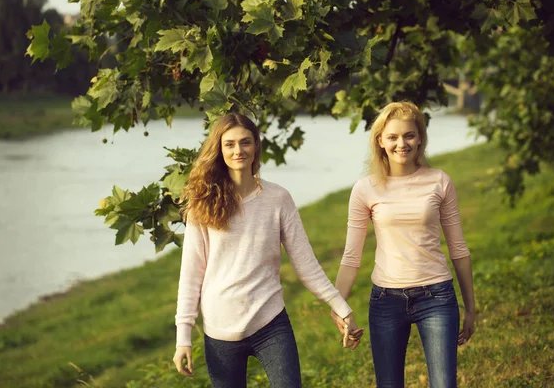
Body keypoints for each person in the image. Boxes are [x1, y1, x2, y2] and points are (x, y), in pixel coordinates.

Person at [172, 113, 363, 388]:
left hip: (270, 323)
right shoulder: (201, 205)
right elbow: (191, 276)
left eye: (245, 142)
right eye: (230, 144)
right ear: (220, 149)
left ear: (256, 146)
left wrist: (342, 309)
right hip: (220, 329)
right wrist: (183, 338)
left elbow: (306, 264)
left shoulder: (278, 199)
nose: (238, 150)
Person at [332, 102, 476, 388]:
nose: (402, 144)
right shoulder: (365, 188)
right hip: (386, 301)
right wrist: (338, 305)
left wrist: (470, 307)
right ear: (380, 141)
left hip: (436, 296)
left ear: (420, 137)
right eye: (393, 137)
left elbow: (458, 249)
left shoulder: (440, 182)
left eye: (409, 135)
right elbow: (351, 256)